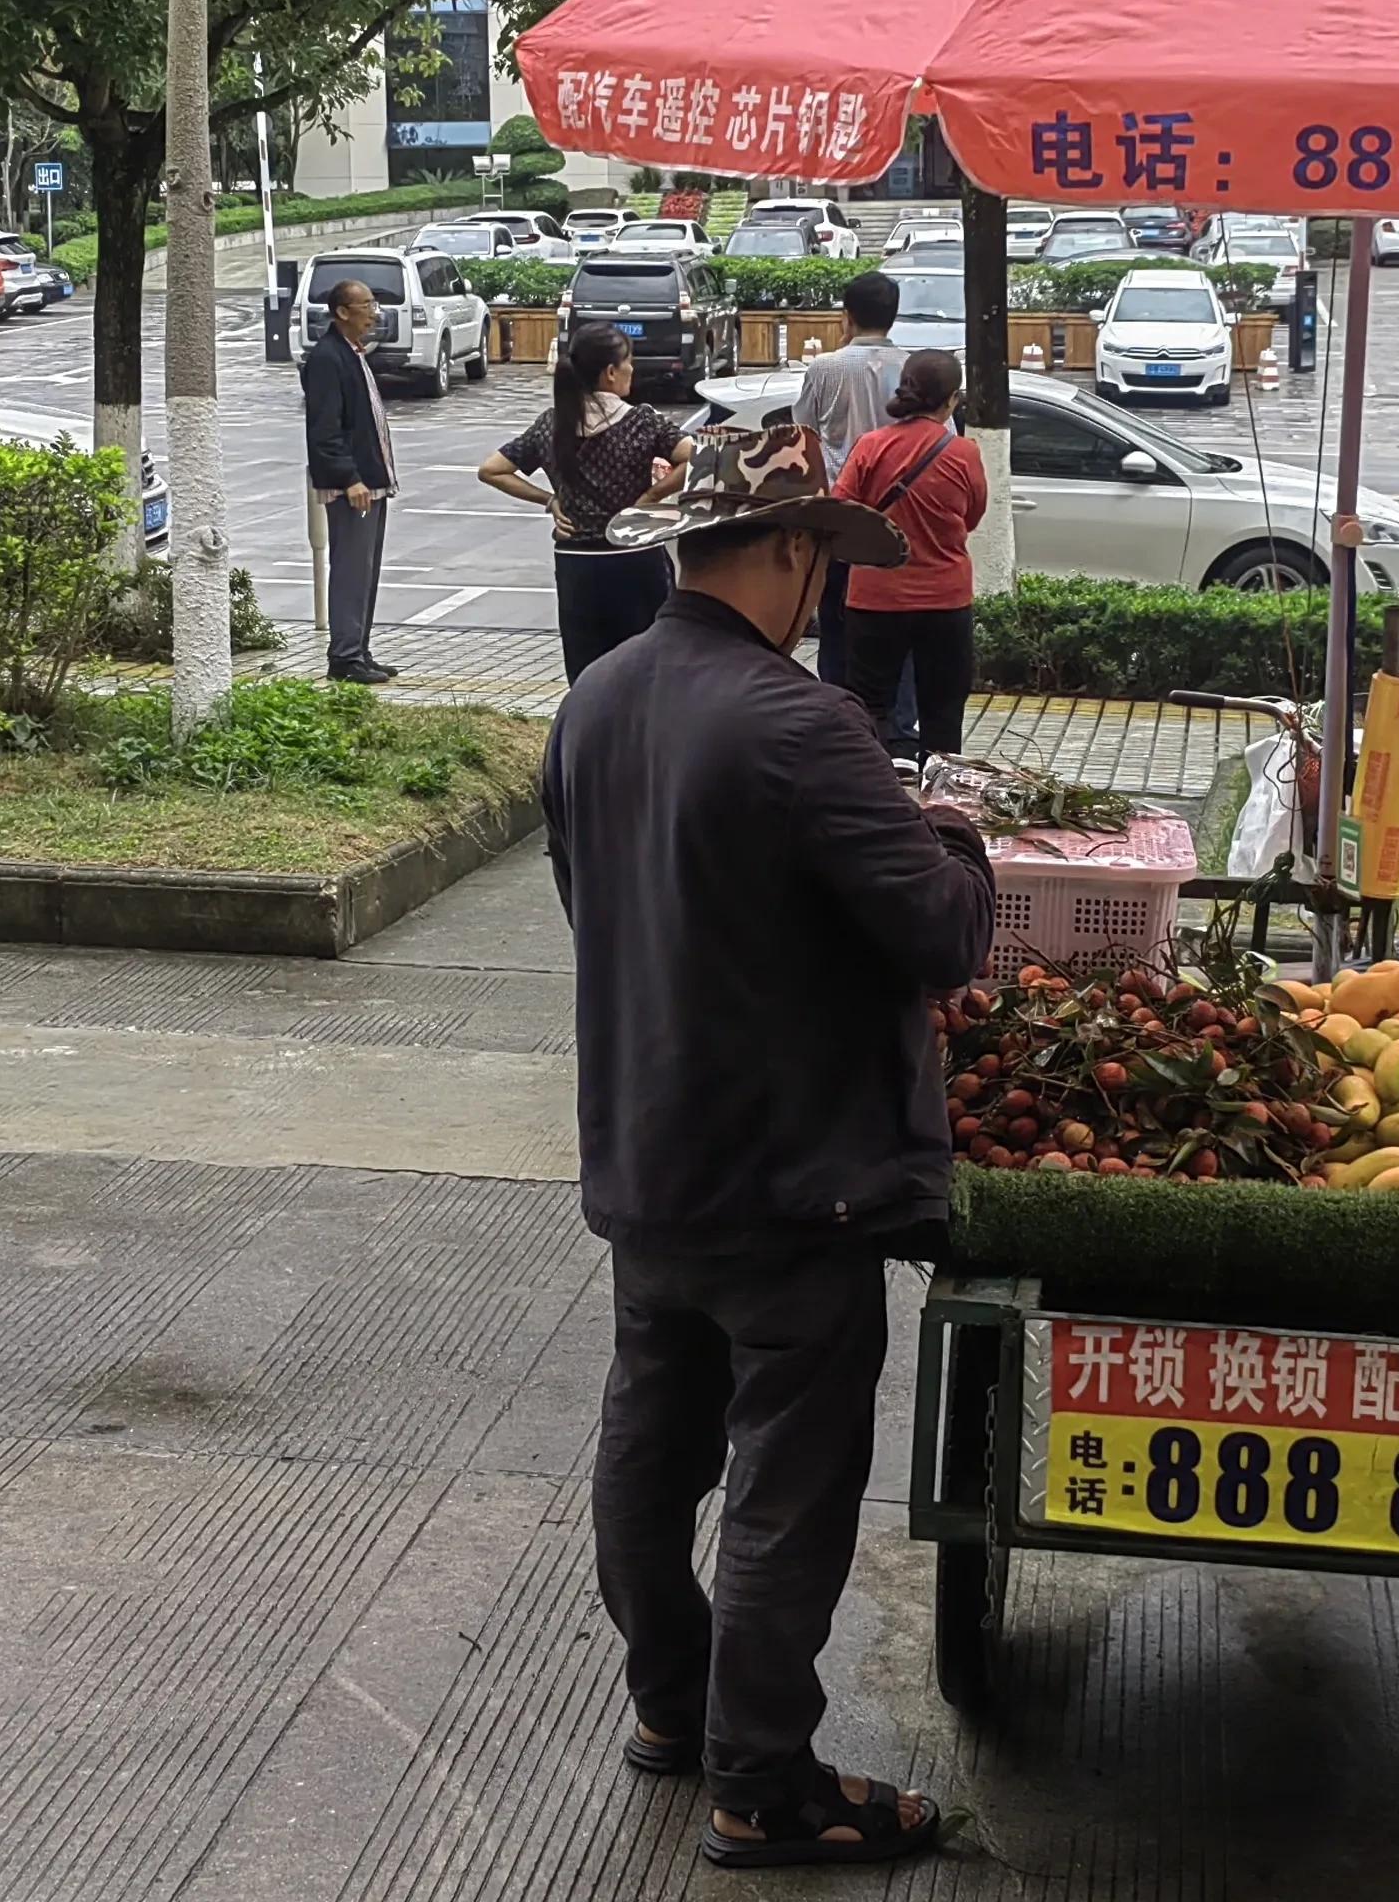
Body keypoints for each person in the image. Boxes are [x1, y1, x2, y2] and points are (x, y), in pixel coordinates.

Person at [546, 425, 991, 1871]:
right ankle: (764, 1783)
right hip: (794, 1181)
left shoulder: (594, 702)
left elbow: (600, 904)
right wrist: (963, 842)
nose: (827, 601)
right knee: (786, 1487)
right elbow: (937, 932)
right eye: (823, 567)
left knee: (648, 1440)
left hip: (646, 1154)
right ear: (794, 550)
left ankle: (671, 1712)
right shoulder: (803, 726)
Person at [481, 326, 694, 679]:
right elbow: (697, 457)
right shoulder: (640, 421)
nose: (632, 370)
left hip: (576, 565)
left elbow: (491, 470)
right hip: (634, 561)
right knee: (645, 671)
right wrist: (651, 497)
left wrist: (550, 500)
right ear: (611, 372)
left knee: (586, 673)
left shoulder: (553, 424)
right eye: (629, 362)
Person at [826, 353, 988, 758]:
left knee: (870, 707)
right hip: (945, 602)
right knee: (942, 712)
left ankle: (875, 796)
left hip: (874, 600)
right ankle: (940, 805)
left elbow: (840, 510)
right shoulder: (963, 453)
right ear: (952, 400)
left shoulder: (871, 446)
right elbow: (973, 516)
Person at [794, 272, 902, 697]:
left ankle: (835, 705)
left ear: (847, 317)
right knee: (893, 623)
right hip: (896, 514)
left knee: (836, 621)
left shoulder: (825, 368)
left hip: (839, 512)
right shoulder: (913, 366)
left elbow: (803, 434)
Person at [298, 277, 396, 684]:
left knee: (366, 571)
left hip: (371, 483)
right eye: (367, 306)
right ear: (342, 312)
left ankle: (359, 649)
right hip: (351, 486)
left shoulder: (353, 354)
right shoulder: (328, 358)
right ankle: (344, 657)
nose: (374, 314)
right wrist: (349, 477)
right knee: (350, 570)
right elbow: (325, 430)